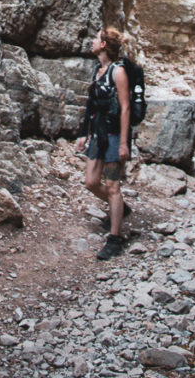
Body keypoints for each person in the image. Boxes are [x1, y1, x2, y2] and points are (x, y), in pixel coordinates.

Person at [76, 26, 131, 260]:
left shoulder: (118, 72)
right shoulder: (98, 71)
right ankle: (121, 209)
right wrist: (83, 134)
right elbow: (91, 105)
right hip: (98, 134)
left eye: (95, 39)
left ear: (104, 44)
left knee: (113, 186)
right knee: (90, 182)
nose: (91, 41)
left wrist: (124, 142)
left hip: (114, 135)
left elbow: (125, 107)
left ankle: (115, 238)